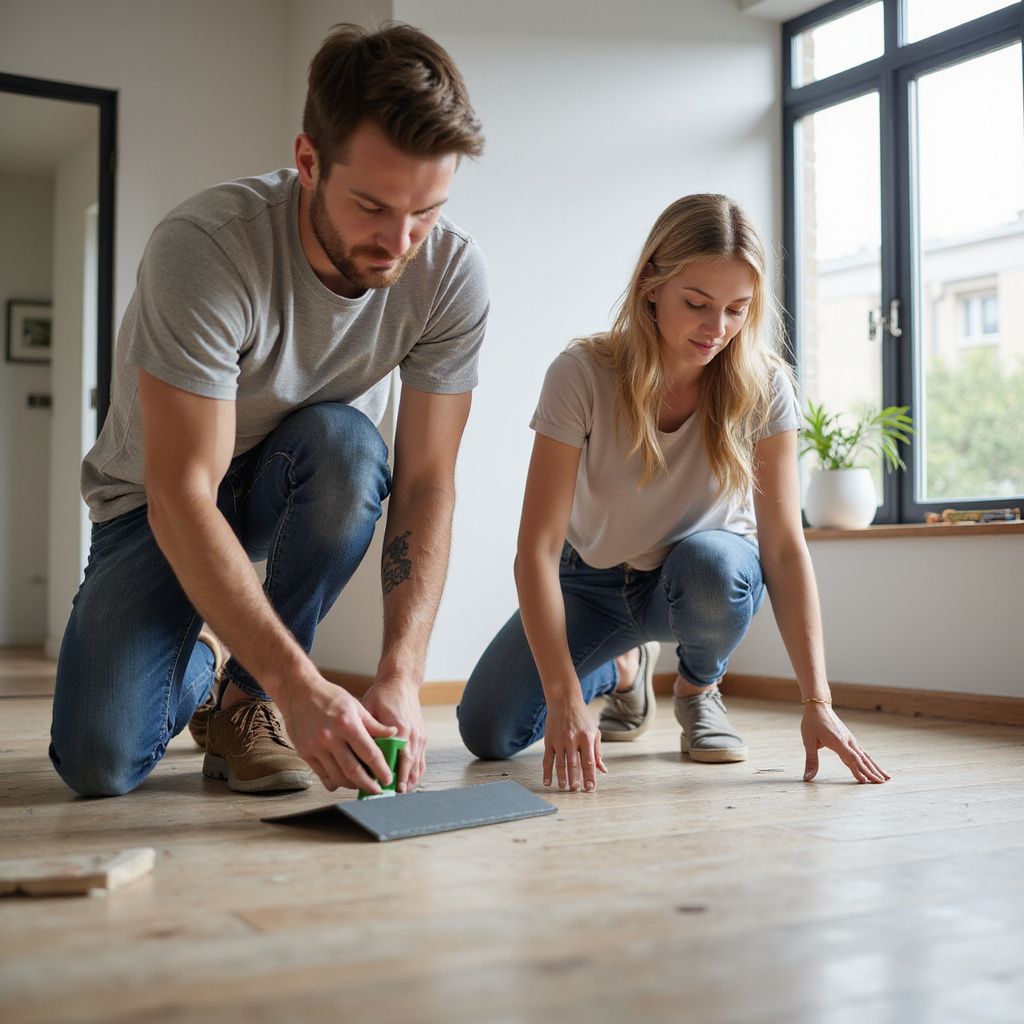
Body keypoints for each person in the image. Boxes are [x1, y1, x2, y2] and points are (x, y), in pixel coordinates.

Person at [50, 23, 488, 799]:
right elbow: (184, 491)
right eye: (373, 206)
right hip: (155, 501)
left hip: (296, 473)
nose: (400, 242)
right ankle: (208, 663)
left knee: (350, 448)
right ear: (309, 161)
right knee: (98, 763)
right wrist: (303, 681)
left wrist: (401, 673)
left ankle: (246, 698)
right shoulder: (207, 247)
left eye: (425, 212)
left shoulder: (450, 273)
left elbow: (425, 483)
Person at [458, 194, 889, 793]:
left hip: (696, 579)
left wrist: (817, 699)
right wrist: (562, 696)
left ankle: (697, 688)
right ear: (651, 286)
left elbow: (785, 549)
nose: (717, 330)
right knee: (488, 731)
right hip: (590, 578)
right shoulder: (581, 374)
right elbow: (536, 547)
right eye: (697, 304)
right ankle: (621, 671)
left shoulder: (764, 386)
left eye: (738, 310)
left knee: (713, 564)